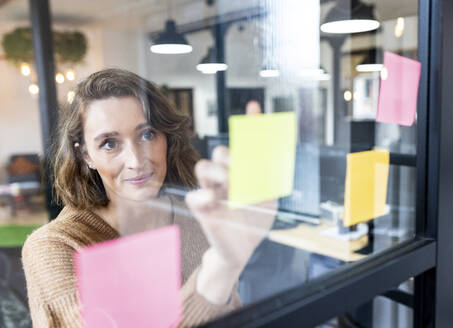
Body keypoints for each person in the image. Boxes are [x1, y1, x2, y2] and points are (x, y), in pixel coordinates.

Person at [22, 68, 275, 328]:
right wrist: (221, 265)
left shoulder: (200, 219)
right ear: (86, 155)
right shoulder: (55, 248)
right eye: (109, 143)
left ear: (167, 137)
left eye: (147, 134)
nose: (136, 160)